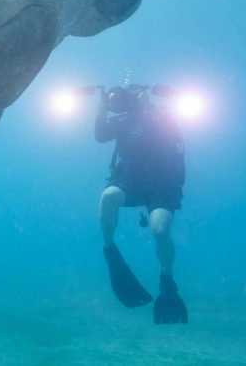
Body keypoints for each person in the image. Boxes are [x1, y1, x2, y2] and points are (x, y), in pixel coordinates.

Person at [95, 85, 188, 324]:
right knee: (108, 197)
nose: (135, 101)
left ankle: (167, 280)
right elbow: (100, 136)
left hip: (162, 186)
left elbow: (176, 121)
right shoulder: (123, 121)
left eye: (139, 96)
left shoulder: (163, 117)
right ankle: (109, 250)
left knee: (160, 230)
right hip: (130, 182)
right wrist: (102, 108)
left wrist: (168, 96)